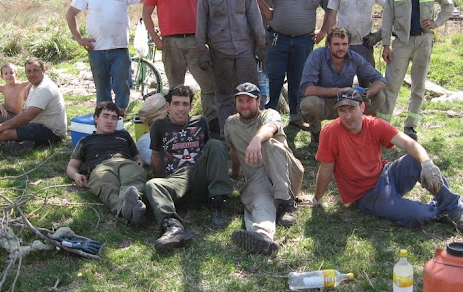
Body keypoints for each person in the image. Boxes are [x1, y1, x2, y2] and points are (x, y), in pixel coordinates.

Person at [312, 87, 463, 232]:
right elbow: (326, 168)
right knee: (416, 215)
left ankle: (453, 206)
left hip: (386, 175)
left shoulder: (375, 125)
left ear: (362, 107)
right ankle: (446, 206)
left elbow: (408, 143)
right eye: (342, 111)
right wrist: (317, 198)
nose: (347, 116)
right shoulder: (330, 132)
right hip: (367, 195)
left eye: (352, 109)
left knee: (415, 159)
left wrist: (427, 163)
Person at [145, 85, 232, 253]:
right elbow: (155, 156)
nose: (181, 108)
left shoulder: (200, 122)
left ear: (191, 106)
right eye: (176, 103)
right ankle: (173, 227)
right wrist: (163, 181)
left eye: (185, 104)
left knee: (215, 144)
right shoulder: (159, 125)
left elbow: (210, 152)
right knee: (152, 184)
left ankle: (219, 202)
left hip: (199, 173)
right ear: (167, 106)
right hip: (176, 180)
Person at [253, 0, 331, 130]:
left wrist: (323, 32)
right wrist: (266, 10)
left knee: (299, 79)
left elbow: (330, 8)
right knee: (275, 77)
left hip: (304, 41)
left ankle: (296, 116)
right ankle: (270, 115)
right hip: (278, 39)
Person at [379, 0, 454, 141]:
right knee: (391, 85)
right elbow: (387, 18)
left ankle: (411, 125)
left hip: (423, 41)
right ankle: (384, 126)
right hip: (402, 43)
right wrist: (386, 44)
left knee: (418, 85)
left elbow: (448, 5)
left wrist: (436, 22)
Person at [142, 0, 218, 130]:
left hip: (195, 41)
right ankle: (178, 122)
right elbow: (146, 14)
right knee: (176, 86)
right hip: (170, 42)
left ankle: (210, 122)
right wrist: (156, 39)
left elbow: (209, 9)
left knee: (208, 83)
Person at [196, 0, 266, 138]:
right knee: (224, 95)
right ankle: (229, 136)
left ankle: (253, 132)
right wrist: (202, 49)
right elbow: (201, 18)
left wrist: (261, 43)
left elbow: (253, 13)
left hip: (245, 48)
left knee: (251, 92)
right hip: (219, 50)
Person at [225, 83, 304, 255]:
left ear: (259, 101)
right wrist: (235, 172)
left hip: (286, 173)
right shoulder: (230, 124)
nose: (245, 105)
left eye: (249, 101)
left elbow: (270, 128)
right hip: (258, 180)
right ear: (235, 102)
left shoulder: (270, 114)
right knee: (261, 204)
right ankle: (263, 238)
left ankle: (287, 202)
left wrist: (256, 140)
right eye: (240, 101)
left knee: (268, 143)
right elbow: (234, 150)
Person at [66, 0, 144, 113]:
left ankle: (120, 118)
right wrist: (79, 38)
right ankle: (104, 120)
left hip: (120, 49)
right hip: (96, 50)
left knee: (123, 86)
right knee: (102, 89)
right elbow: (70, 13)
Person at [299, 26, 386, 149]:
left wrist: (367, 93)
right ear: (328, 45)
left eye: (344, 44)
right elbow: (306, 89)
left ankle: (361, 131)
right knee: (309, 104)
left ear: (349, 45)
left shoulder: (354, 57)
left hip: (347, 101)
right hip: (323, 102)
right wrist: (338, 91)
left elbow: (380, 80)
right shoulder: (316, 56)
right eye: (336, 44)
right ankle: (316, 133)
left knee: (379, 96)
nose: (341, 48)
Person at [66, 101, 147, 226]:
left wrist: (139, 164)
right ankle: (129, 210)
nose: (110, 121)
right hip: (100, 167)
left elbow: (137, 157)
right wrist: (76, 176)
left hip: (125, 162)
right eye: (106, 116)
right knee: (108, 187)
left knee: (132, 181)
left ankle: (128, 209)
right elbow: (72, 166)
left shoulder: (124, 135)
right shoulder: (86, 141)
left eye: (114, 118)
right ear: (96, 118)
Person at [327, 0, 386, 77]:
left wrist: (378, 35)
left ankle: (366, 97)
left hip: (364, 44)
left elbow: (391, 9)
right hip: (342, 45)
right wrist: (331, 40)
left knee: (368, 83)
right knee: (339, 81)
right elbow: (331, 16)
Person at [0, 58, 67, 152]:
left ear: (43, 71)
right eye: (28, 71)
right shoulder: (35, 84)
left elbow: (27, 116)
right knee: (6, 128)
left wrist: (1, 127)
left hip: (51, 132)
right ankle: (22, 144)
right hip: (36, 124)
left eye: (35, 70)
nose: (32, 74)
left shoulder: (45, 88)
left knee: (6, 133)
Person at [0, 63, 30, 127]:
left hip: (14, 116)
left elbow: (32, 80)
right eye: (6, 73)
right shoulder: (2, 87)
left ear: (16, 74)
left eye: (11, 73)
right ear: (2, 77)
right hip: (4, 110)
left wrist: (27, 89)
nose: (9, 75)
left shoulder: (21, 85)